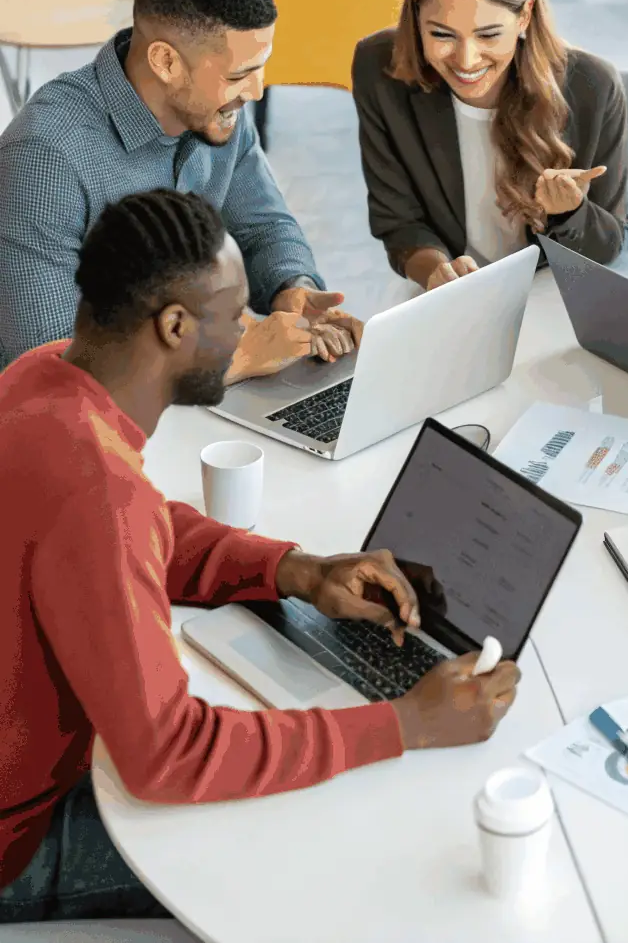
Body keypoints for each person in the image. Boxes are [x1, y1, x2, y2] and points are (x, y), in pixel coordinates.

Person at [0, 188, 520, 923]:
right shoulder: (98, 493)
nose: (250, 327)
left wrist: (299, 570)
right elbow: (168, 752)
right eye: (233, 313)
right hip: (20, 843)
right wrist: (405, 725)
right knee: (314, 855)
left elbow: (141, 528)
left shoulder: (41, 376)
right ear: (175, 325)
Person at [0, 0, 361, 380]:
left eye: (260, 66)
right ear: (166, 62)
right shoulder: (46, 157)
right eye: (239, 74)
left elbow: (263, 226)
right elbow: (53, 369)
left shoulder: (217, 110)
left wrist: (293, 288)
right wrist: (234, 360)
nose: (256, 90)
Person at [352, 0, 628, 293]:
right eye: (441, 34)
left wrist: (570, 212)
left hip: (555, 283)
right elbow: (398, 221)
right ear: (416, 19)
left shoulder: (593, 87)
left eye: (488, 35)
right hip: (449, 290)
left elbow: (610, 246)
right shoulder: (380, 68)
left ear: (525, 17)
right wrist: (438, 272)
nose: (467, 60)